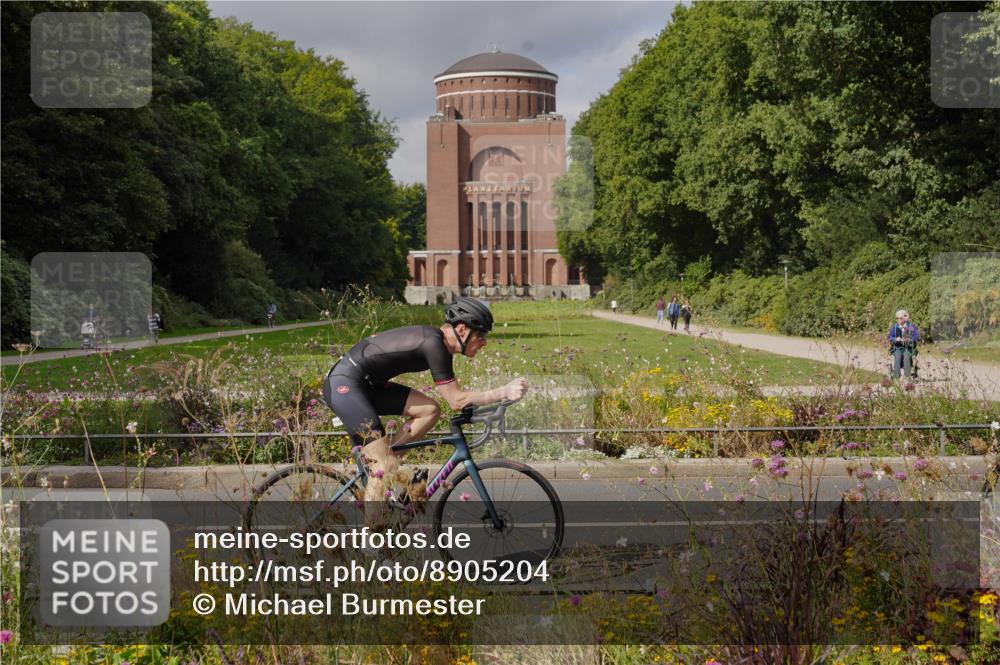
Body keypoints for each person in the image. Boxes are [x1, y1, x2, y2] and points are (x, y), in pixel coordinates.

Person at [322, 297, 529, 513]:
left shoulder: (439, 343)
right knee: (382, 468)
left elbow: (452, 399)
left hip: (366, 386)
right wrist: (503, 391)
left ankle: (388, 463)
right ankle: (369, 541)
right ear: (462, 329)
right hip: (345, 386)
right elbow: (455, 400)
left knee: (429, 410)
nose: (484, 342)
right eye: (481, 334)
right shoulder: (434, 344)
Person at [887, 309, 919, 379]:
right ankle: (896, 377)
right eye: (897, 318)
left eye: (900, 318)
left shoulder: (910, 326)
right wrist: (895, 339)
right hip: (898, 347)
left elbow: (916, 336)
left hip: (908, 347)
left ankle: (907, 377)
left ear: (905, 317)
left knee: (907, 356)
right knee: (897, 356)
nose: (898, 320)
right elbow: (889, 337)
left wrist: (910, 339)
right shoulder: (894, 327)